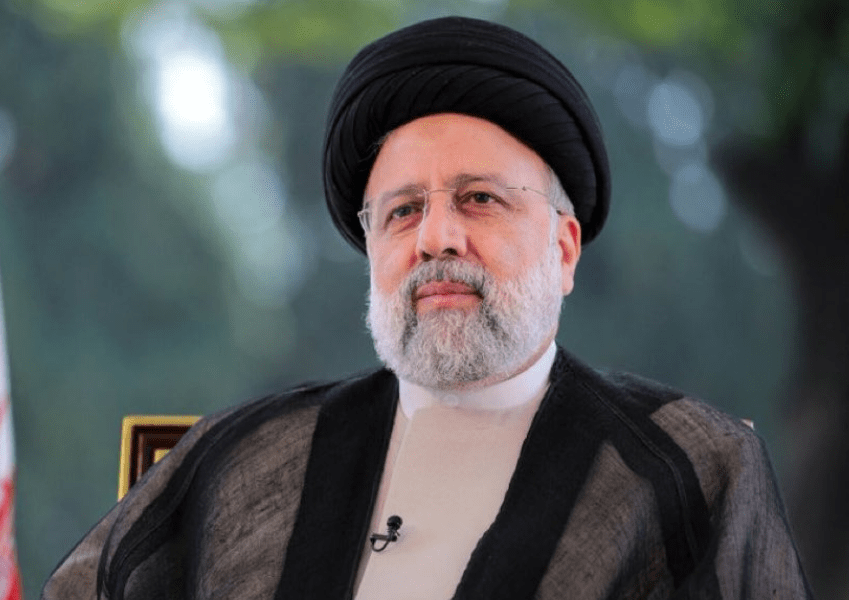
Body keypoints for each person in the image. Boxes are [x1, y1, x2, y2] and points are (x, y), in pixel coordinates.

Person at [42, 16, 811, 600]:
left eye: (478, 199)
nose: (436, 237)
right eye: (404, 211)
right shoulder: (239, 459)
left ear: (564, 248)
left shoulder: (686, 468)